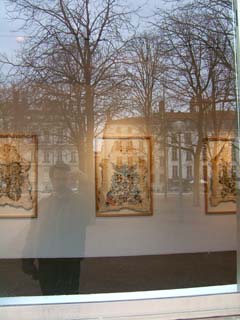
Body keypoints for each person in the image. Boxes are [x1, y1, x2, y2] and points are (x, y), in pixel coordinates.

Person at [22, 161, 90, 295]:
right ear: (52, 180)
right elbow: (33, 232)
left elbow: (90, 214)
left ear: (69, 180)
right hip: (47, 261)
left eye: (64, 178)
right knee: (48, 298)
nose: (61, 182)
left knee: (69, 299)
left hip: (70, 260)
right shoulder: (43, 204)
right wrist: (27, 259)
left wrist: (86, 182)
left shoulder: (79, 202)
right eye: (57, 178)